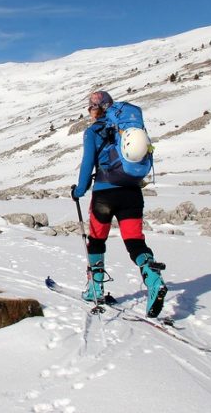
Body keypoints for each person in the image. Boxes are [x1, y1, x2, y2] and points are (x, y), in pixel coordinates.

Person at [72, 90, 167, 317]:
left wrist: (79, 190)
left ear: (96, 108)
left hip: (104, 195)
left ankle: (96, 287)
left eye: (90, 108)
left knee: (96, 240)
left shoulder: (93, 131)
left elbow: (87, 164)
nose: (89, 112)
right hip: (132, 194)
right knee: (135, 242)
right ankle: (153, 279)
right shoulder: (128, 130)